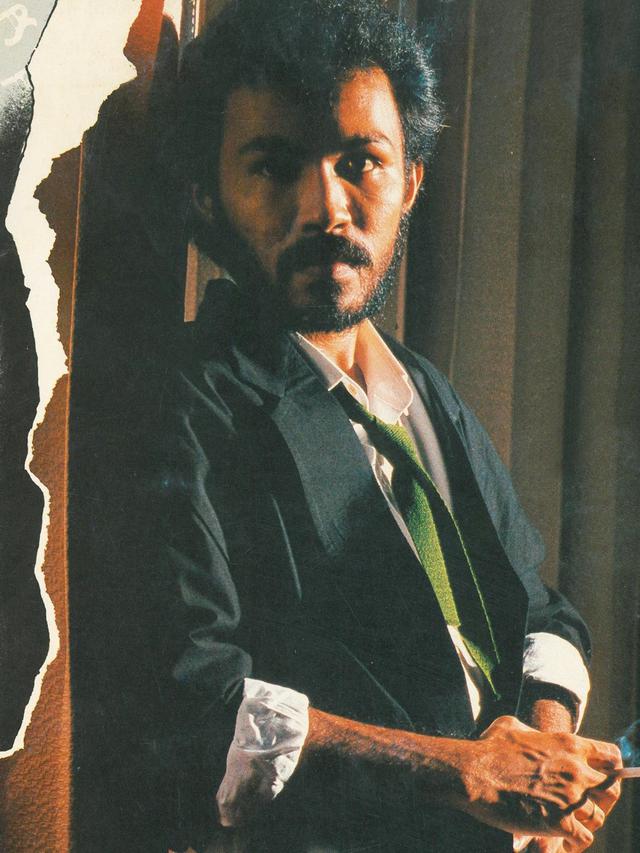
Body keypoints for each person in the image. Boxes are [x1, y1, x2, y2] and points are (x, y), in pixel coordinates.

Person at [155, 1, 622, 850]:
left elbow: (539, 608)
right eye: (274, 166)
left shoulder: (426, 394)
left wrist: (545, 746)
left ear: (410, 182)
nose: (325, 207)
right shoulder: (184, 401)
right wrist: (468, 771)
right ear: (207, 194)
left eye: (361, 161)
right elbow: (198, 703)